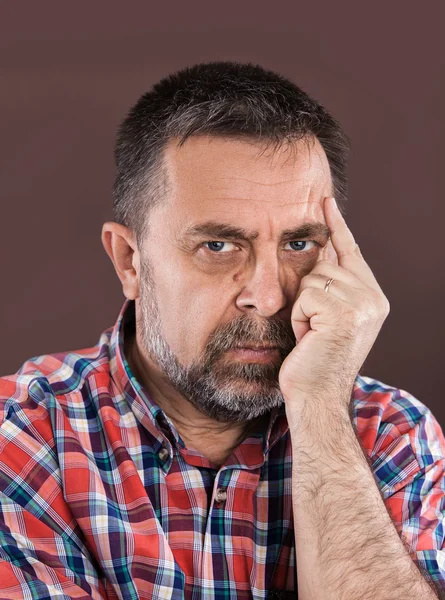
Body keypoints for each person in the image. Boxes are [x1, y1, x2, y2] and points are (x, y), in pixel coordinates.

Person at [0, 61, 444, 600]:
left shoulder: (389, 435)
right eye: (218, 246)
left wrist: (321, 408)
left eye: (298, 245)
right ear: (130, 262)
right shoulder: (23, 434)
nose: (270, 295)